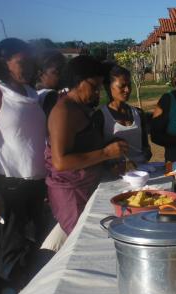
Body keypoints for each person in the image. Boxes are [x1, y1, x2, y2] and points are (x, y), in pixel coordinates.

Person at [0, 38, 47, 294]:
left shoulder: (31, 93)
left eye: (29, 61)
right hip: (9, 186)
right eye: (20, 62)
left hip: (36, 186)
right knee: (11, 255)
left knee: (33, 248)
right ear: (4, 62)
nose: (26, 67)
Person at [45, 55, 127, 236]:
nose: (98, 92)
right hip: (71, 193)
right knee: (82, 238)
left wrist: (109, 157)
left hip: (87, 185)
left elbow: (84, 147)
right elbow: (61, 162)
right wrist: (106, 153)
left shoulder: (82, 107)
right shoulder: (63, 112)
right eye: (93, 86)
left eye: (99, 87)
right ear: (77, 81)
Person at [99, 64, 151, 167]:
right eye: (122, 86)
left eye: (129, 85)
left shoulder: (139, 114)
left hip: (141, 173)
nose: (127, 90)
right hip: (115, 176)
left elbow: (146, 147)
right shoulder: (100, 117)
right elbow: (98, 153)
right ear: (108, 87)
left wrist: (144, 155)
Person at [36, 49, 67, 115]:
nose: (62, 76)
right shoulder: (51, 96)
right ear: (41, 74)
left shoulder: (32, 93)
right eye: (57, 72)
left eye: (64, 71)